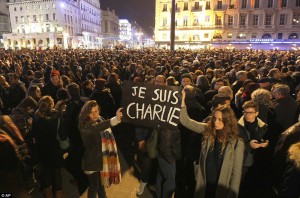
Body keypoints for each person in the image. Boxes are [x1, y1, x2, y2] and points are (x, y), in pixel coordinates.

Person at [180, 88, 244, 198]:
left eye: (220, 119)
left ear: (227, 121)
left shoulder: (237, 142)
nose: (216, 122)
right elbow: (187, 122)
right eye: (214, 119)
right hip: (204, 184)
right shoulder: (208, 130)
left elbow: (236, 173)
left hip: (221, 187)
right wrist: (182, 103)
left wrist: (233, 194)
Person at [78, 100, 122, 198]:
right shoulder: (85, 125)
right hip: (92, 162)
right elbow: (97, 128)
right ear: (86, 113)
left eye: (96, 111)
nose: (94, 114)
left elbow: (103, 125)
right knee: (94, 187)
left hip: (101, 160)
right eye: (91, 112)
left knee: (101, 185)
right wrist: (115, 119)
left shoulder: (100, 119)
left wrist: (116, 119)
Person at [31, 96, 67, 198]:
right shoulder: (56, 116)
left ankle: (48, 195)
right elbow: (63, 134)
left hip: (41, 149)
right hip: (54, 149)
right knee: (56, 173)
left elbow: (33, 133)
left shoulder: (36, 116)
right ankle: (59, 195)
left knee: (45, 172)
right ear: (51, 105)